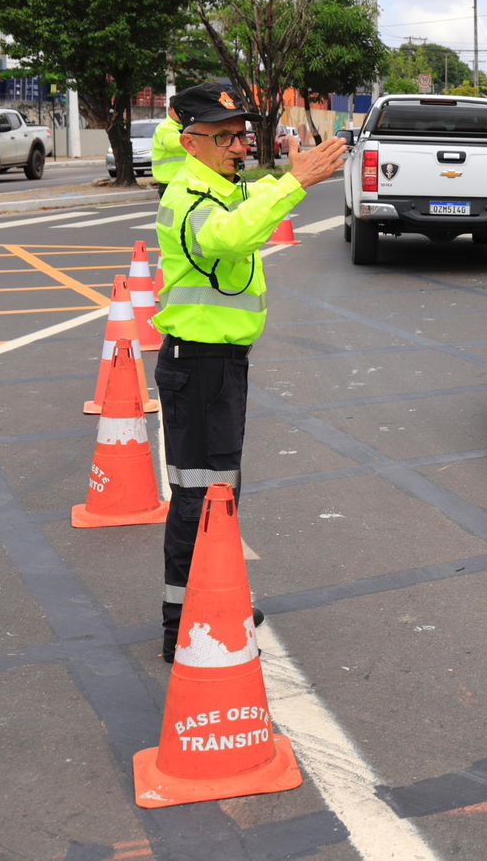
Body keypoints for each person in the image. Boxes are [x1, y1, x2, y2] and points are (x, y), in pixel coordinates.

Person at [151, 82, 345, 662]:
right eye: (226, 137)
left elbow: (246, 208)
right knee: (199, 498)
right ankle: (182, 625)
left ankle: (210, 604)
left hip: (218, 368)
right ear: (192, 142)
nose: (240, 146)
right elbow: (229, 236)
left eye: (240, 134)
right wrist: (296, 181)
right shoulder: (190, 196)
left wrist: (287, 179)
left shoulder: (218, 187)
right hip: (200, 369)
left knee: (218, 494)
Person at [150, 103, 186, 198]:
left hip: (185, 180)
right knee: (171, 213)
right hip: (169, 182)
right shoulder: (165, 127)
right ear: (170, 109)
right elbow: (172, 144)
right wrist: (196, 140)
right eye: (177, 110)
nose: (180, 113)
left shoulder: (185, 127)